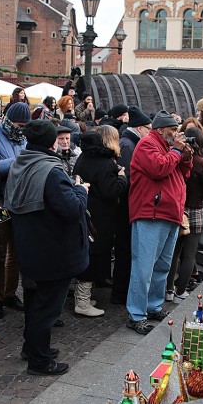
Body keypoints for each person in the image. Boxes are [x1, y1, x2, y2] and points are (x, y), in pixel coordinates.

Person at [4, 120, 90, 375]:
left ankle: (32, 348)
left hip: (29, 247)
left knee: (34, 303)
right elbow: (72, 210)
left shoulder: (21, 162)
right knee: (47, 308)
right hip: (53, 251)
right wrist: (80, 190)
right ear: (52, 142)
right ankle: (39, 361)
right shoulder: (50, 171)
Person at [126, 111, 192, 335]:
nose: (176, 133)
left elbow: (183, 172)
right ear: (161, 130)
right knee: (143, 267)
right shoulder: (147, 144)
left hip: (169, 213)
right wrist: (176, 151)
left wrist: (186, 155)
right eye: (173, 129)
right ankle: (136, 314)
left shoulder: (167, 146)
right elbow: (158, 169)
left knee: (162, 266)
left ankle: (153, 305)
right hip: (151, 214)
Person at [72, 125, 128, 317]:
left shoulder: (83, 158)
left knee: (88, 255)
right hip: (100, 218)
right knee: (92, 258)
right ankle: (83, 302)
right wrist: (122, 178)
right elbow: (111, 190)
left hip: (86, 215)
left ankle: (83, 298)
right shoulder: (104, 163)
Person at [0, 102, 32, 318]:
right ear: (8, 120)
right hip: (0, 203)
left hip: (20, 203)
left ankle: (10, 293)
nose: (20, 127)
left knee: (15, 253)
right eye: (18, 123)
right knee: (0, 250)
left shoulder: (24, 138)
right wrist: (20, 161)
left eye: (24, 124)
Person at [166, 120, 203, 300]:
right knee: (189, 255)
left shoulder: (177, 158)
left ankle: (169, 290)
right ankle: (180, 291)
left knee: (174, 254)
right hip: (194, 210)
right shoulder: (201, 162)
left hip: (178, 208)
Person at [112, 106, 151, 306]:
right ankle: (119, 293)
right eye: (148, 128)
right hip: (127, 206)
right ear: (139, 128)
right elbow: (129, 178)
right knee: (125, 249)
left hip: (129, 205)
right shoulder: (128, 145)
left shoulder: (130, 142)